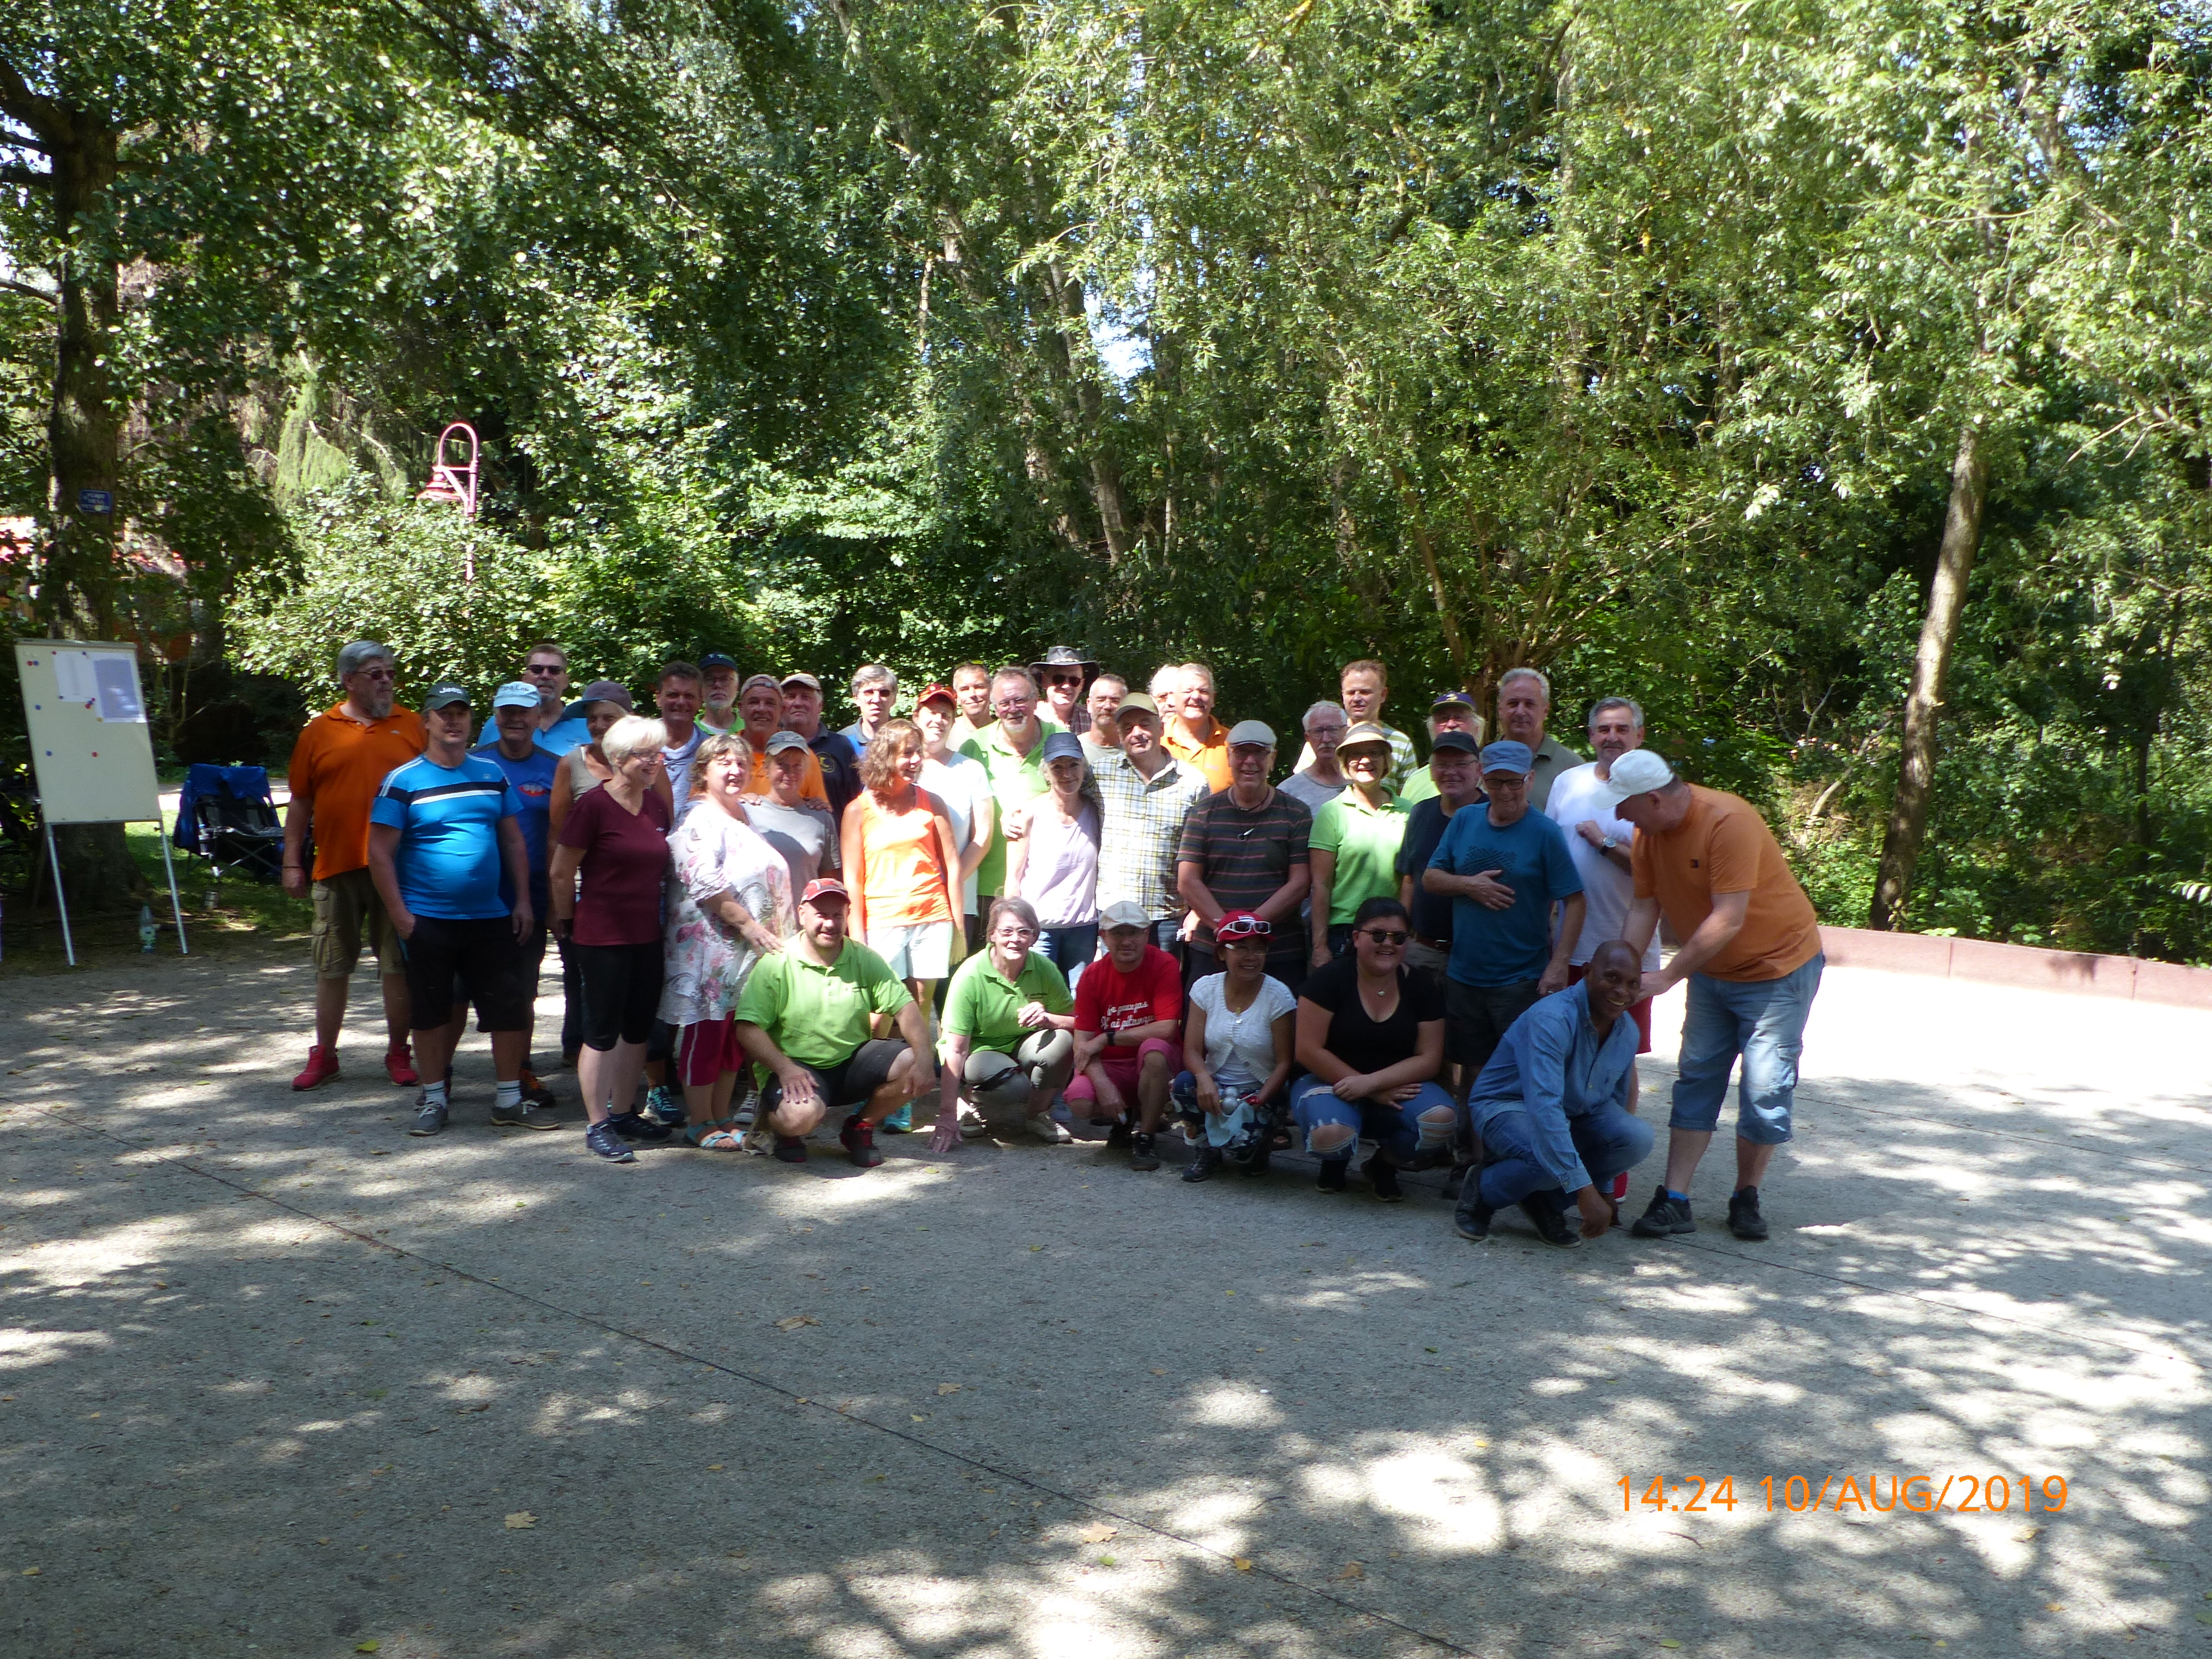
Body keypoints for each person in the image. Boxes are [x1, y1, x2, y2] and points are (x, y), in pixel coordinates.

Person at [1609, 749, 1825, 1243]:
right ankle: (1674, 1199)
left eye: (1624, 804)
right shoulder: (1647, 834)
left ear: (1654, 799)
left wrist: (1668, 976)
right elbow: (1643, 907)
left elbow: (1728, 918)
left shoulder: (1728, 821)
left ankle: (1746, 1195)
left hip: (1777, 970)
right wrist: (1622, 973)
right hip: (1712, 971)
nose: (1618, 814)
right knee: (1697, 1076)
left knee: (1764, 1088)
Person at [364, 683, 541, 1137]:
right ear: (427, 721)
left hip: (491, 916)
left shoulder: (491, 774)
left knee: (509, 1007)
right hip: (428, 918)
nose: (453, 721)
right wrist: (400, 916)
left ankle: (508, 1099)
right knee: (431, 1011)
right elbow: (380, 853)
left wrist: (522, 901)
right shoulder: (403, 780)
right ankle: (434, 1098)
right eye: (444, 713)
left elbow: (513, 841)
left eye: (461, 713)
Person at [283, 639, 425, 1092]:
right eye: (375, 674)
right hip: (336, 867)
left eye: (390, 673)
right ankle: (325, 1055)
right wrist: (291, 862)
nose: (387, 682)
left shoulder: (413, 725)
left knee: (397, 967)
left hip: (399, 871)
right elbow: (301, 801)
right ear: (348, 680)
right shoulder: (318, 731)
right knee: (331, 966)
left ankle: (399, 1052)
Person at [1454, 940, 1656, 1247]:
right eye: (1612, 977)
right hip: (1508, 1106)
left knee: (1636, 1138)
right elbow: (1545, 1109)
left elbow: (1614, 1105)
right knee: (1548, 1158)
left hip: (1571, 1112)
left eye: (1632, 984)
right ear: (1587, 972)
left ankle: (1546, 1203)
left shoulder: (1627, 1030)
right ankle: (1483, 1188)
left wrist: (1605, 1187)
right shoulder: (1553, 1019)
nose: (1621, 992)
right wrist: (1585, 1191)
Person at [1423, 740, 1586, 1103]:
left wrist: (1559, 964)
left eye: (1515, 782)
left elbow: (1575, 900)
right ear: (1483, 778)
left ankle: (1513, 1138)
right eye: (1497, 782)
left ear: (1530, 780)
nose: (1506, 792)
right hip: (1465, 973)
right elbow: (1431, 878)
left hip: (1520, 978)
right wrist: (1469, 885)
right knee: (1471, 1068)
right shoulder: (1466, 819)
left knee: (1516, 1071)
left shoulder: (1544, 832)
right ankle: (1470, 1138)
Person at [733, 878, 934, 1168]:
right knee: (799, 1118)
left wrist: (925, 1058)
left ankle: (859, 1127)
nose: (830, 924)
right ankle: (783, 1130)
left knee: (914, 1062)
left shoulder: (864, 958)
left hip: (851, 1062)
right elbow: (747, 1028)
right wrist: (785, 1069)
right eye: (821, 915)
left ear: (847, 916)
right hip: (797, 1068)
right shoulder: (776, 963)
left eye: (837, 915)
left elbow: (906, 1009)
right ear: (802, 914)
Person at [549, 712, 676, 1165]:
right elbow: (561, 871)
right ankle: (597, 1123)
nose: (654, 762)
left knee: (638, 1028)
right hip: (600, 936)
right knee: (601, 1032)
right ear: (619, 758)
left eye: (658, 754)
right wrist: (567, 925)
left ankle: (623, 1113)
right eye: (644, 754)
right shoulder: (593, 806)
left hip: (646, 934)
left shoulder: (656, 805)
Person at [660, 732, 795, 1147]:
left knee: (733, 1036)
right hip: (708, 950)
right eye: (724, 763)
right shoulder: (696, 818)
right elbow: (705, 883)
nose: (735, 771)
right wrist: (750, 926)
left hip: (742, 954)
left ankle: (720, 1116)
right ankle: (699, 1121)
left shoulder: (741, 813)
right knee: (706, 1034)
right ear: (703, 771)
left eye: (741, 763)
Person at [1290, 895, 1455, 1200]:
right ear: (1356, 938)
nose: (1388, 944)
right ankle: (1335, 1161)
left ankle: (1383, 1166)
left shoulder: (1422, 986)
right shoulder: (1327, 980)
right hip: (1330, 1082)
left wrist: (1371, 1084)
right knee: (1331, 1136)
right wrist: (1367, 1088)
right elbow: (1308, 1051)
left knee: (1440, 1120)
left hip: (1394, 1086)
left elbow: (1430, 1059)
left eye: (1399, 937)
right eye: (1378, 935)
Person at [1545, 697, 1663, 1114]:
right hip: (1571, 948)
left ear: (1639, 736)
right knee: (1564, 1047)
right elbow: (1549, 857)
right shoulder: (1568, 782)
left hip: (1630, 952)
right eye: (1604, 729)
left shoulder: (1653, 792)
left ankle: (1619, 1144)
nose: (1612, 737)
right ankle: (1569, 1140)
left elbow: (1658, 873)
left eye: (1622, 729)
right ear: (1592, 736)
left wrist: (1605, 843)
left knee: (1620, 1055)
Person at [470, 680, 562, 1109]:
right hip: (475, 896)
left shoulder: (555, 767)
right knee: (457, 990)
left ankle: (521, 1069)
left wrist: (556, 901)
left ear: (539, 718)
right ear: (495, 716)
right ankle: (441, 1076)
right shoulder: (474, 763)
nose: (515, 719)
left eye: (524, 712)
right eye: (507, 712)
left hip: (531, 897)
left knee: (523, 988)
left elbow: (562, 835)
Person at [1176, 719, 1312, 993]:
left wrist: (1248, 930)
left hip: (1279, 951)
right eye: (1241, 752)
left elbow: (1299, 883)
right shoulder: (1204, 812)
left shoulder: (1296, 813)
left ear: (1272, 759)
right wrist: (1228, 929)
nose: (1250, 761)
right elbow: (1188, 881)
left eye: (1259, 753)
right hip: (1213, 949)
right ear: (1228, 757)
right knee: (1200, 1017)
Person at [841, 717, 964, 1011]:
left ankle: (921, 1047)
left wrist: (959, 929)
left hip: (933, 917)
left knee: (921, 1005)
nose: (917, 760)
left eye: (918, 752)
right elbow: (852, 880)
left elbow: (953, 867)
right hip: (882, 920)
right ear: (885, 757)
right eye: (907, 753)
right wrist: (857, 938)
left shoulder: (933, 803)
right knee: (881, 1010)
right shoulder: (857, 810)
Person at [935, 896, 1078, 1147]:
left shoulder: (1044, 968)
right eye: (1007, 931)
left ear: (1034, 937)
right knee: (1016, 1088)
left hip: (1022, 1045)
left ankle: (1037, 1115)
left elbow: (1078, 1022)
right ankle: (967, 1100)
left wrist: (1048, 1018)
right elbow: (955, 1049)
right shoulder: (970, 975)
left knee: (1063, 1040)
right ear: (992, 935)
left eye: (1024, 932)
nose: (1016, 939)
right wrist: (946, 1114)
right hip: (978, 1052)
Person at [1173, 910, 1296, 1183]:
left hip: (1261, 1090)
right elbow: (1191, 1050)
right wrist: (1204, 1079)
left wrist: (1260, 1099)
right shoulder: (1205, 988)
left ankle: (1257, 1148)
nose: (1251, 957)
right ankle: (1207, 1151)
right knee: (1182, 1085)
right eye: (1240, 948)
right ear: (1221, 953)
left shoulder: (1279, 996)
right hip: (1216, 1086)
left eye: (1259, 949)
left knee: (1243, 1150)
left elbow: (1285, 1062)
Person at [1063, 901, 1183, 1170]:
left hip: (1154, 1063)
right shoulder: (1092, 976)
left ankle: (1146, 1137)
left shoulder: (1165, 964)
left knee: (1155, 1051)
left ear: (1147, 933)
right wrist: (1103, 1086)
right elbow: (1082, 1044)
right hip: (1111, 1065)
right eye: (1118, 933)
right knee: (1080, 1103)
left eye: (1134, 933)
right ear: (1103, 936)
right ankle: (1126, 1116)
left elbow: (1166, 1029)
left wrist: (1107, 1037)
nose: (1126, 941)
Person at [1093, 691, 1210, 961]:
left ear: (1161, 727)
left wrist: (1197, 910)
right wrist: (1021, 814)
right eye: (1127, 728)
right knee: (1116, 985)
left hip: (1168, 914)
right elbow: (1061, 798)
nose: (1137, 733)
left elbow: (1206, 852)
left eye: (1145, 724)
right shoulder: (1099, 774)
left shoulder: (1193, 783)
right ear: (1119, 735)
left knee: (1164, 984)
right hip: (1114, 912)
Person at [1308, 722, 1411, 967]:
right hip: (1344, 930)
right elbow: (1321, 885)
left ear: (1386, 760)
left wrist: (1404, 931)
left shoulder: (1409, 811)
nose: (1365, 760)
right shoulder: (1331, 813)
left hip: (1391, 931)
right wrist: (1320, 946)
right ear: (1345, 762)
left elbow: (1410, 880)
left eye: (1374, 753)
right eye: (1356, 754)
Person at [1004, 732, 1102, 986]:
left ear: (1084, 767)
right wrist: (1013, 927)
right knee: (1037, 996)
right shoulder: (1028, 814)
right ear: (1046, 772)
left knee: (1080, 999)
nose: (1067, 774)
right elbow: (1013, 879)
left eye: (1074, 765)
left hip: (1084, 928)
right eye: (1057, 767)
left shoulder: (1096, 811)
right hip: (1039, 929)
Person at [958, 666, 1062, 901]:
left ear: (1035, 701)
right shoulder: (974, 746)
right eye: (1004, 703)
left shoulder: (1059, 739)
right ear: (994, 708)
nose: (1013, 709)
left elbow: (1079, 796)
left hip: (1048, 883)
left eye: (1020, 701)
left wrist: (1030, 808)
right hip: (986, 883)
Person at [1396, 731, 1481, 983]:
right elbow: (1409, 879)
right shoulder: (1420, 812)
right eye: (1442, 765)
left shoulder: (1493, 814)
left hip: (1478, 955)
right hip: (1423, 950)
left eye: (1461, 764)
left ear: (1479, 769)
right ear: (1432, 771)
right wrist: (1401, 936)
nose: (1450, 772)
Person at [915, 682, 994, 944]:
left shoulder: (971, 769)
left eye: (945, 715)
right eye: (932, 712)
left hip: (957, 902)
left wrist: (951, 880)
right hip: (906, 899)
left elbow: (983, 837)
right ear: (916, 717)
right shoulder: (899, 767)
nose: (938, 720)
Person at [1293, 660, 1417, 790]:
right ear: (1343, 695)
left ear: (1383, 694)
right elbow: (1302, 787)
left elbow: (1409, 796)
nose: (1357, 699)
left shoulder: (1401, 743)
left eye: (1365, 692)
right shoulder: (1324, 739)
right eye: (1351, 693)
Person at [744, 730, 842, 892]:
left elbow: (829, 884)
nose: (790, 772)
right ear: (766, 767)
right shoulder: (746, 812)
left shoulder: (821, 817)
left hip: (805, 908)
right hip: (758, 909)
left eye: (797, 766)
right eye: (782, 764)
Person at [735, 674, 833, 806]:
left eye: (770, 703)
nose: (762, 709)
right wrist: (732, 802)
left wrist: (818, 809)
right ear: (741, 709)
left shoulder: (803, 757)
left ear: (782, 710)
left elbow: (821, 811)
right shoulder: (723, 755)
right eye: (754, 702)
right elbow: (706, 804)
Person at [478, 641, 589, 754]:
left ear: (566, 681)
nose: (545, 676)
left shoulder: (587, 725)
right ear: (525, 678)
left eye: (554, 670)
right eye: (537, 669)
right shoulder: (498, 723)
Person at [1495, 668, 1583, 811]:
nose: (1520, 712)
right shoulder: (1481, 763)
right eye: (1513, 704)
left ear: (1545, 711)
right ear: (1500, 709)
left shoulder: (1572, 768)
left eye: (1529, 704)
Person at [783, 671, 862, 818]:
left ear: (820, 705)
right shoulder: (771, 746)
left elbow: (857, 802)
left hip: (832, 831)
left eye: (806, 697)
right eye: (791, 696)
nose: (798, 703)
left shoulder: (840, 746)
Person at [1401, 691, 1485, 805]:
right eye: (1443, 719)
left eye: (1459, 718)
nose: (1451, 724)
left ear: (1477, 726)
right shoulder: (1416, 781)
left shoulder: (1496, 773)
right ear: (1431, 728)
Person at [1162, 662, 1234, 792]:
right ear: (1172, 697)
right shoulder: (1156, 741)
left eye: (1203, 691)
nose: (1196, 696)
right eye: (1188, 691)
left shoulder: (1233, 744)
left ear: (1213, 699)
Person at [654, 662, 707, 826]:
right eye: (673, 695)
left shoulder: (712, 751)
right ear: (658, 698)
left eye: (689, 696)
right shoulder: (638, 745)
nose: (681, 702)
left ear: (700, 701)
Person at [1278, 702, 1350, 817]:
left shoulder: (1367, 782)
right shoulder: (1288, 792)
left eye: (1333, 730)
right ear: (1308, 738)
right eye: (1318, 731)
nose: (1326, 739)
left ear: (1347, 732)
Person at [1031, 645, 1098, 734]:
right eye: (1059, 679)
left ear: (1081, 685)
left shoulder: (1093, 721)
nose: (1066, 686)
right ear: (1044, 681)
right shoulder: (1030, 718)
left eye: (1074, 681)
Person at [840, 664, 899, 747]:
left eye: (884, 693)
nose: (876, 700)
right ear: (856, 698)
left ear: (894, 699)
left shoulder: (909, 738)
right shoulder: (841, 741)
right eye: (869, 692)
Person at [1079, 672, 1127, 769]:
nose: (1107, 706)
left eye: (1115, 701)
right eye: (1101, 700)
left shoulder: (1135, 750)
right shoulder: (1075, 748)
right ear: (1089, 705)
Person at [946, 661, 995, 749]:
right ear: (956, 697)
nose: (972, 694)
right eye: (965, 689)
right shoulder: (944, 732)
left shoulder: (1005, 732)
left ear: (991, 692)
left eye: (979, 687)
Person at [696, 651, 742, 735]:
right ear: (699, 687)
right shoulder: (690, 731)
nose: (718, 685)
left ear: (737, 686)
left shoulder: (750, 728)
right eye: (709, 679)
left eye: (725, 680)